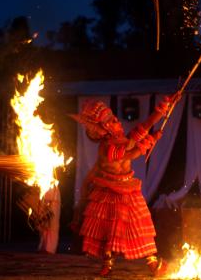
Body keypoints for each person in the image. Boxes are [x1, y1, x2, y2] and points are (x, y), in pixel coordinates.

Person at [70, 94, 178, 277]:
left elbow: (140, 130)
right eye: (112, 120)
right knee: (109, 230)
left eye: (114, 117)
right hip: (110, 191)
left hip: (129, 189)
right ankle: (107, 265)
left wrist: (161, 109)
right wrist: (152, 140)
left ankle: (153, 265)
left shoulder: (121, 140)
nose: (118, 121)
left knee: (140, 225)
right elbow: (131, 153)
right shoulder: (107, 146)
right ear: (105, 128)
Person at [37, 186, 61, 254]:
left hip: (53, 203)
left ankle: (50, 248)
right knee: (43, 225)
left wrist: (50, 202)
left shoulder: (55, 186)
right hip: (44, 200)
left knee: (52, 225)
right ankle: (43, 246)